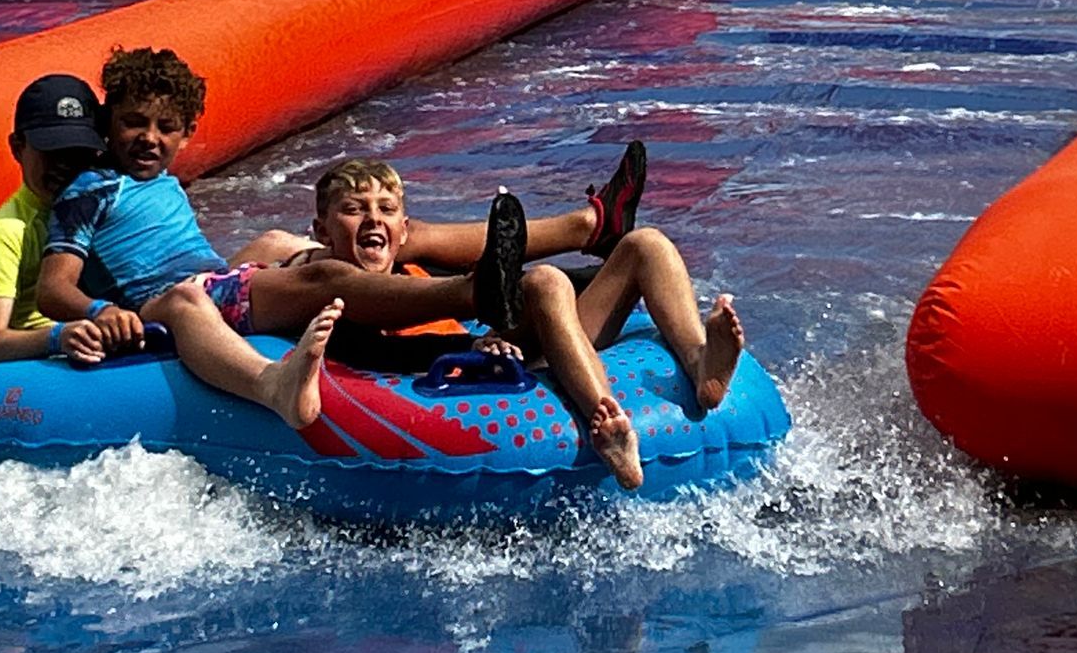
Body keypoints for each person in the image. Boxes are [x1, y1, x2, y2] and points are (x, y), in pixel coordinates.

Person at [33, 44, 548, 411]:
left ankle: (457, 311)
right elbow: (54, 289)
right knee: (322, 282)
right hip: (170, 304)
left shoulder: (163, 181)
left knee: (306, 253)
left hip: (215, 284)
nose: (149, 138)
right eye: (134, 123)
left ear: (187, 135)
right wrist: (102, 312)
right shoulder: (90, 190)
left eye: (165, 128)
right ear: (107, 124)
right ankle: (470, 294)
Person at [299, 155, 745, 492]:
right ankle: (608, 422)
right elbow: (372, 353)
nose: (373, 218)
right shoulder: (332, 293)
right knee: (545, 283)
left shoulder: (413, 270)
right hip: (476, 377)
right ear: (322, 231)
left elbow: (498, 297)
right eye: (355, 209)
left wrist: (612, 285)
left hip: (526, 350)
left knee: (645, 244)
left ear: (404, 227)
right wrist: (467, 353)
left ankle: (700, 359)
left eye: (386, 209)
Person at [0, 73, 111, 366]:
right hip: (44, 358)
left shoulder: (103, 206)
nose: (64, 166)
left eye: (77, 153)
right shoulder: (8, 230)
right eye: (51, 152)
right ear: (17, 148)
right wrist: (57, 337)